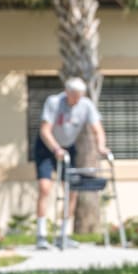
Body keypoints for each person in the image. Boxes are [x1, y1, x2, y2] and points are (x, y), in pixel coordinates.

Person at [33, 76, 110, 249]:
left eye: (80, 95)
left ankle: (63, 235)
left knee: (71, 192)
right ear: (67, 92)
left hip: (68, 148)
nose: (76, 99)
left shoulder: (86, 105)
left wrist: (101, 147)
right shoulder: (54, 102)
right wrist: (56, 149)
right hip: (47, 148)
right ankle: (41, 235)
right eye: (74, 95)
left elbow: (97, 129)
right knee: (45, 188)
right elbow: (45, 130)